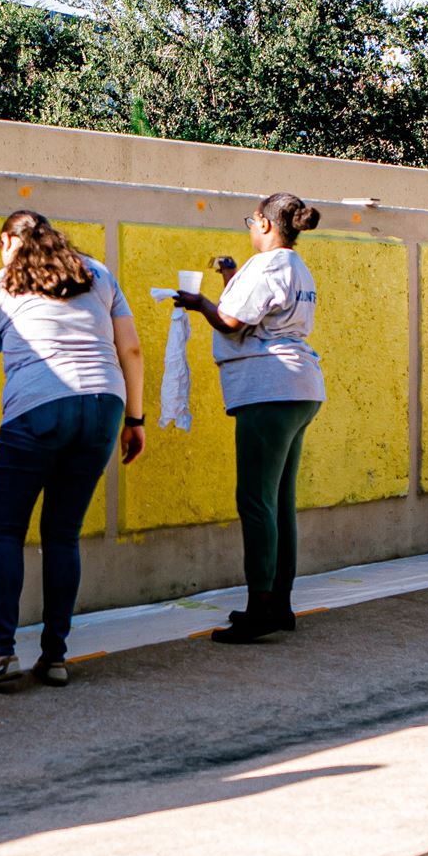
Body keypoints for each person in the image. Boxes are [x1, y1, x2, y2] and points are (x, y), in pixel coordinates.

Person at [0, 211, 146, 688]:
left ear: (8, 240)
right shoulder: (95, 273)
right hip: (103, 407)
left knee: (7, 530)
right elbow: (130, 349)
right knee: (62, 534)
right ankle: (54, 657)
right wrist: (134, 419)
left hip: (37, 409)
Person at [178, 192, 330, 637]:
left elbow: (231, 322)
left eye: (251, 220)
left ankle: (259, 609)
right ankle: (278, 605)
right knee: (279, 502)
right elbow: (256, 310)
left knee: (255, 501)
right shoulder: (294, 267)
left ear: (265, 223)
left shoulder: (268, 266)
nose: (249, 227)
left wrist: (197, 302)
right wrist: (229, 275)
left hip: (270, 387)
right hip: (299, 387)